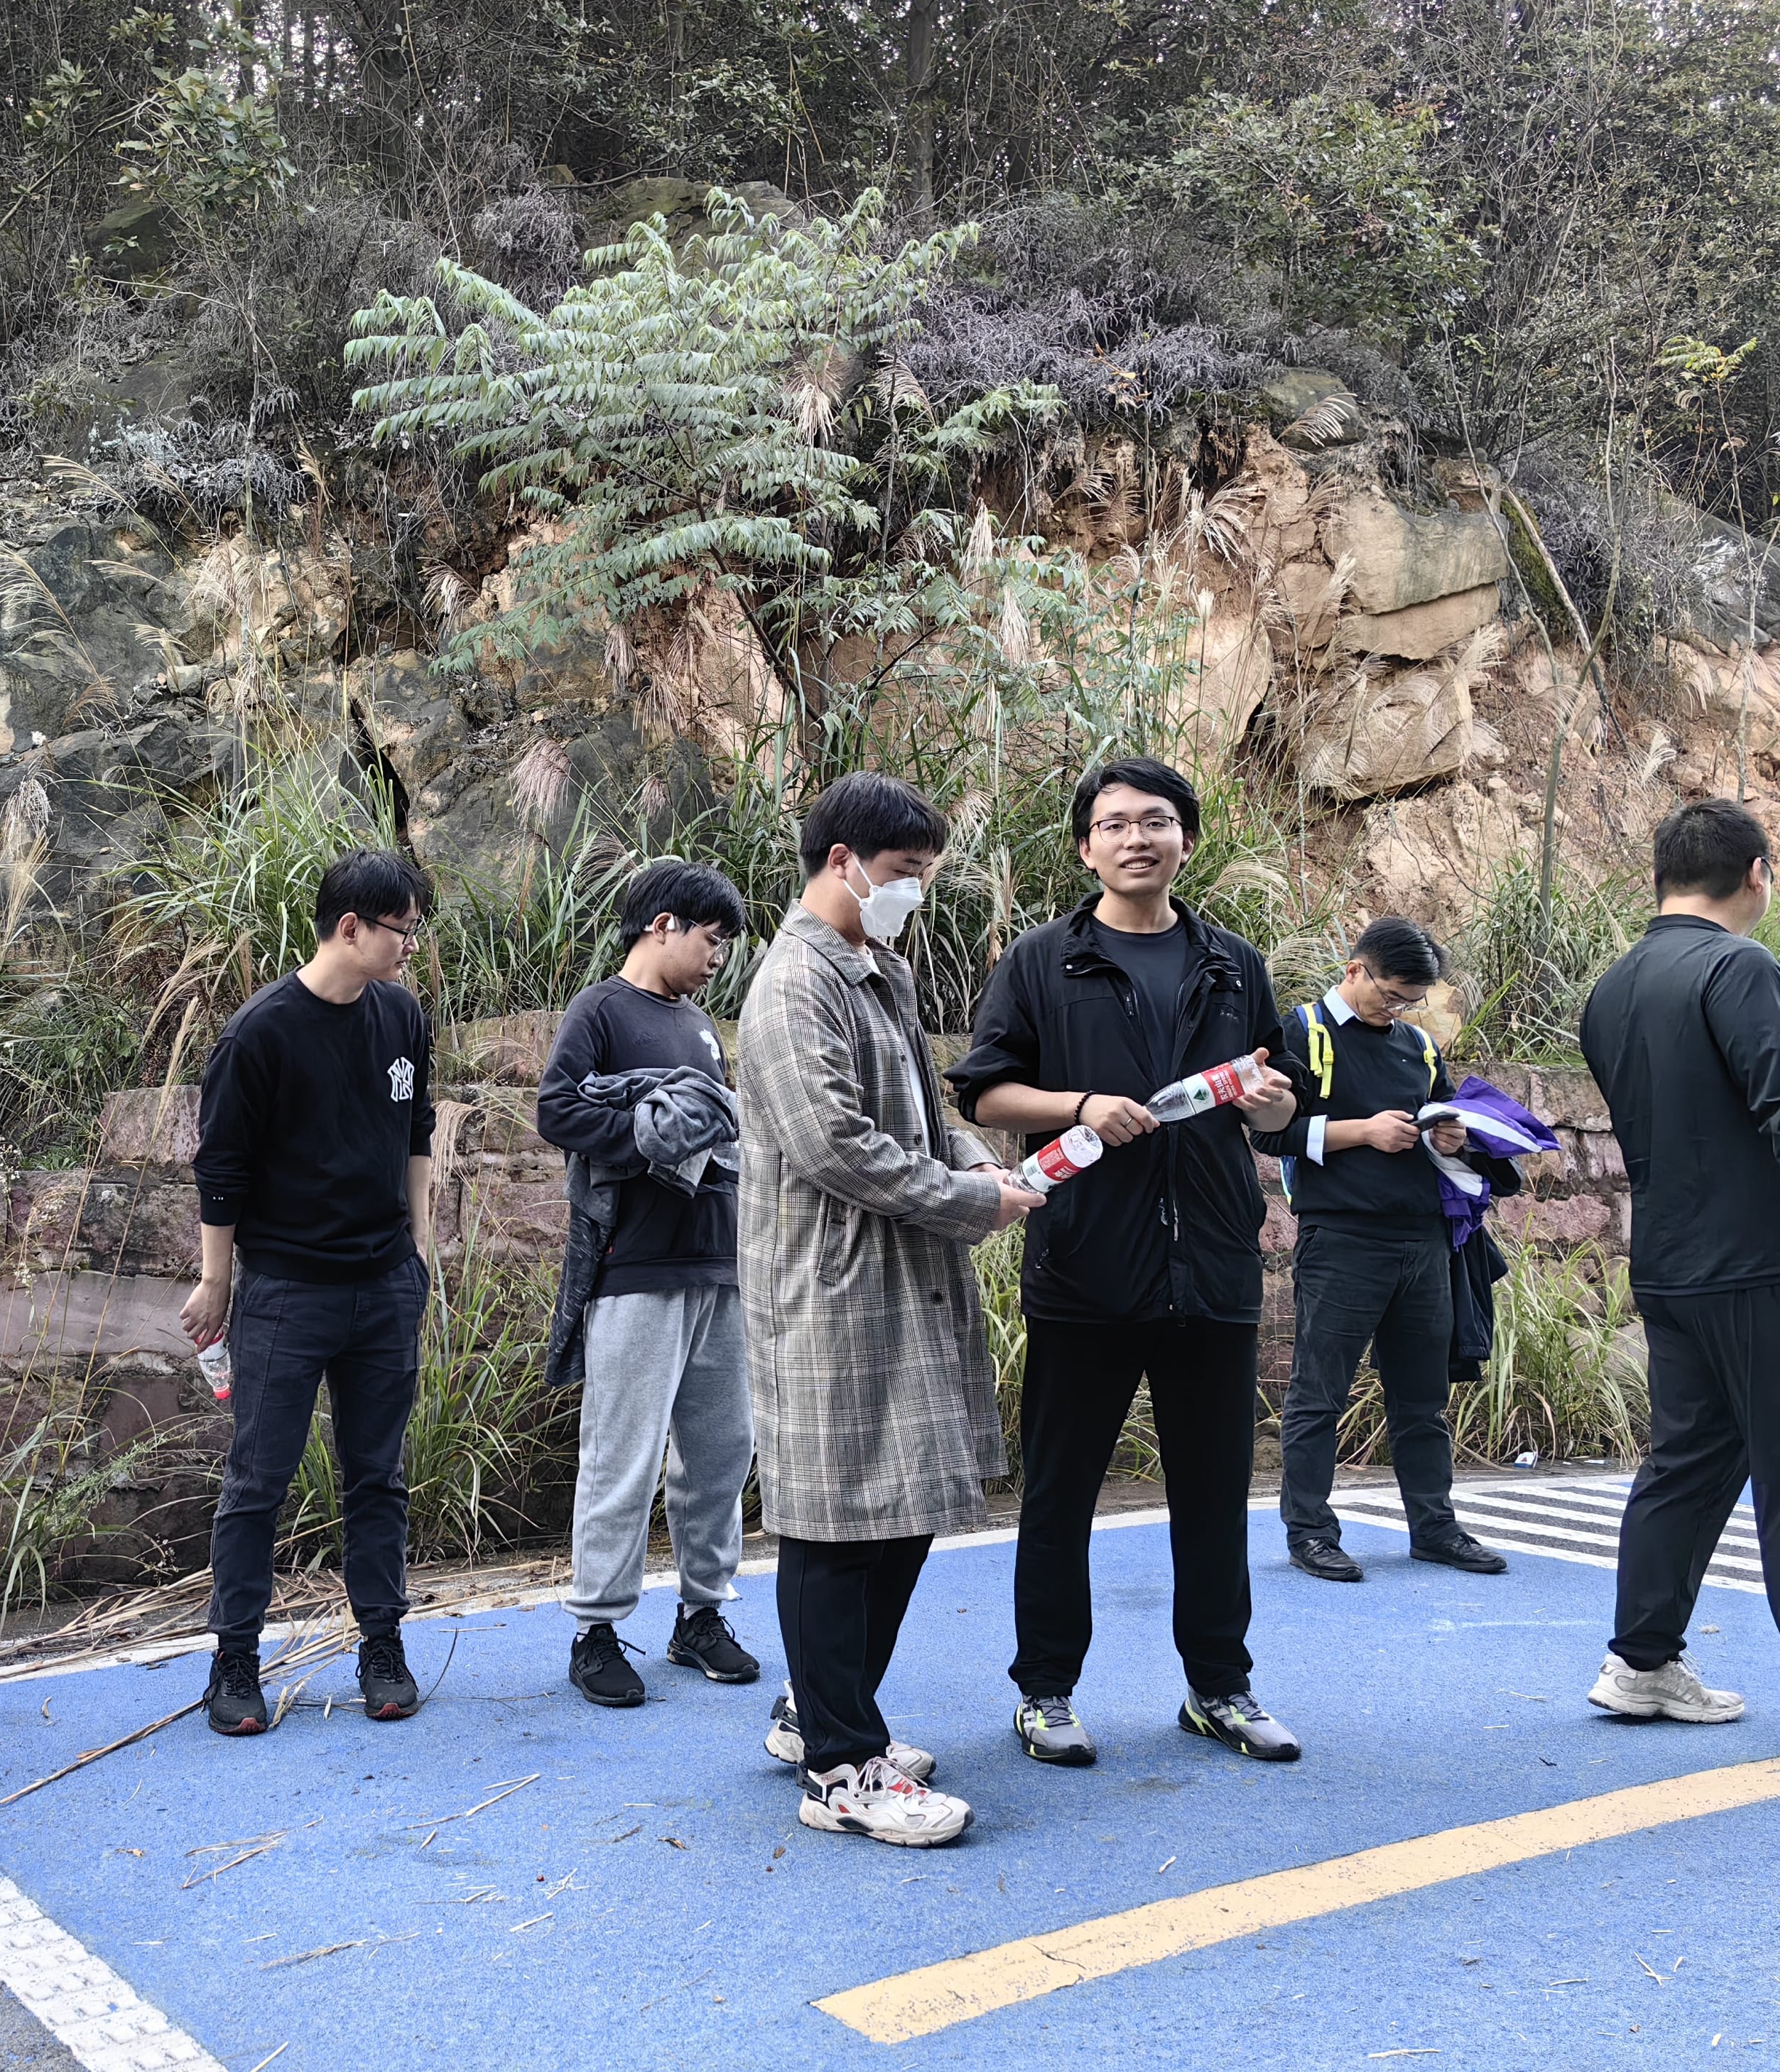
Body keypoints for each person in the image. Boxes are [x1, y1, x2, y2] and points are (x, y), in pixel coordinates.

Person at [947, 756, 1304, 1772]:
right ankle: (1046, 1691)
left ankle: (1219, 1687)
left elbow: (1279, 1103)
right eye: (1113, 824)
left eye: (1155, 821)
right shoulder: (1042, 962)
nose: (1135, 838)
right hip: (1085, 1269)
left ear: (1186, 838)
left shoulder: (1232, 964)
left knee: (1215, 1495)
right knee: (1061, 1495)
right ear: (1084, 847)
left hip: (1215, 1270)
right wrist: (1079, 1106)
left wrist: (1273, 1106)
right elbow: (984, 1093)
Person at [740, 772, 1040, 1848]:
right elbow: (832, 1142)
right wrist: (968, 1199)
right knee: (834, 1518)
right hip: (830, 1286)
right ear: (843, 863)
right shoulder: (794, 983)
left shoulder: (877, 969)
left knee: (901, 1504)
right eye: (905, 873)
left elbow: (918, 1105)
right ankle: (839, 1766)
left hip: (897, 1274)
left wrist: (976, 1162)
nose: (916, 891)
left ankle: (818, 1710)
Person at [1577, 799, 1780, 1771]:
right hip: (1765, 1267)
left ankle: (1641, 1662)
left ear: (1661, 876)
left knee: (1687, 1465)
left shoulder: (1613, 988)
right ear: (1756, 873)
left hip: (1671, 1268)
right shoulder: (1738, 967)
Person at [184, 849, 438, 1738]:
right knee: (258, 1480)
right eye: (403, 930)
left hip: (384, 1286)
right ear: (350, 927)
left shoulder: (401, 1015)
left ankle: (382, 1647)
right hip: (287, 1292)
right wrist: (216, 1281)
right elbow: (219, 1168)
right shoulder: (259, 1034)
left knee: (378, 1478)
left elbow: (417, 1129)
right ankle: (234, 1660)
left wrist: (419, 1249)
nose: (411, 946)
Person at [539, 860, 759, 1709]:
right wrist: (649, 1130)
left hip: (718, 1264)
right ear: (662, 924)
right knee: (622, 1456)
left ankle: (700, 1616)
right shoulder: (599, 1009)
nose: (717, 958)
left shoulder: (700, 1026)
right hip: (633, 1270)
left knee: (722, 1452)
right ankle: (595, 1630)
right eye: (711, 939)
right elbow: (558, 1110)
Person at [1257, 918, 1511, 1583]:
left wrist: (1451, 1137)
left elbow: (1445, 1117)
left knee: (1423, 1399)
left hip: (1423, 1240)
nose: (1397, 1010)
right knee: (1319, 1394)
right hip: (1341, 1237)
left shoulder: (1420, 1047)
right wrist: (1363, 1132)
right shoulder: (1300, 1031)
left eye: (1410, 1002)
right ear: (1355, 969)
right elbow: (1269, 1136)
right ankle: (1311, 1533)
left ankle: (1435, 1529)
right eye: (1391, 995)